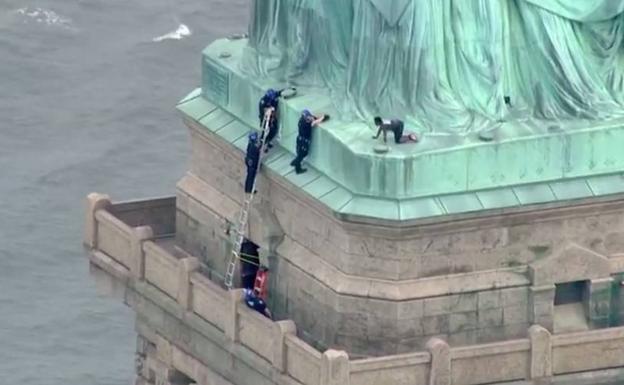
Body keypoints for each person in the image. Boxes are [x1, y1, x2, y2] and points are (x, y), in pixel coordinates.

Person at [290, 109, 328, 174]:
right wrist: (323, 118)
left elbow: (314, 118)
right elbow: (315, 122)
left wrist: (318, 117)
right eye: (308, 117)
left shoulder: (301, 120)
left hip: (299, 139)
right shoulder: (306, 123)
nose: (309, 117)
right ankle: (296, 165)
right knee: (302, 154)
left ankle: (296, 166)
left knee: (299, 153)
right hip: (303, 141)